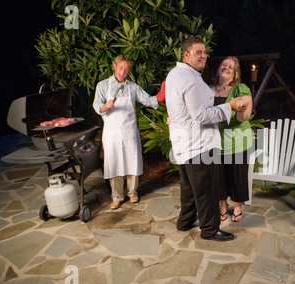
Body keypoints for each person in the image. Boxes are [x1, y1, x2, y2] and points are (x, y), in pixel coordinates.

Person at [165, 36, 247, 241]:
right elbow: (200, 115)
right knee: (207, 190)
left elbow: (181, 108)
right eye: (198, 52)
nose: (203, 56)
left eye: (204, 52)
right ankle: (210, 230)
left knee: (189, 188)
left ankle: (184, 222)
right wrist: (230, 107)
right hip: (198, 144)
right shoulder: (191, 79)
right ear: (186, 54)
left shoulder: (175, 74)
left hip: (182, 142)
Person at [93, 55, 165, 210]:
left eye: (126, 69)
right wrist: (106, 106)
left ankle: (132, 192)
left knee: (132, 160)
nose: (123, 71)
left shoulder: (133, 87)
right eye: (120, 68)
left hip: (129, 130)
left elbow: (148, 100)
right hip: (112, 131)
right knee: (114, 162)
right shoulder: (103, 85)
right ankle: (116, 197)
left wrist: (160, 96)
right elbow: (97, 106)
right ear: (114, 66)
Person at [211, 56, 253, 222]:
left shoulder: (240, 88)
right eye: (224, 64)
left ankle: (237, 206)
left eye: (231, 66)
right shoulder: (208, 89)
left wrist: (242, 108)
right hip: (215, 141)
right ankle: (222, 205)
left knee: (237, 175)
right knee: (219, 176)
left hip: (237, 141)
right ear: (218, 69)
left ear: (235, 74)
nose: (226, 67)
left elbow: (244, 116)